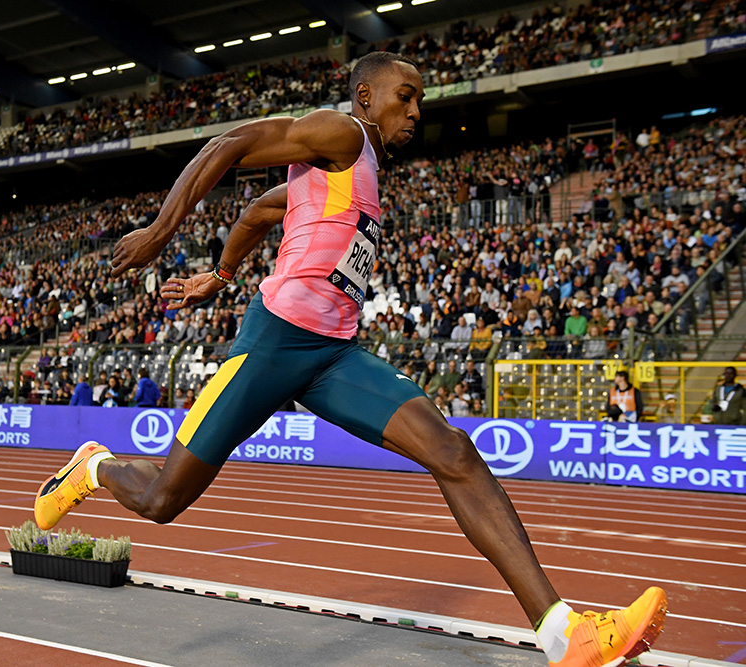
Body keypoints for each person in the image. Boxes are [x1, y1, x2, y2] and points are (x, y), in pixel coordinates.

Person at [33, 52, 665, 667]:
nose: (416, 110)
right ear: (366, 97)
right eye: (405, 96)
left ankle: (565, 635)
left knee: (455, 453)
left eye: (420, 99)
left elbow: (259, 212)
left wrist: (220, 275)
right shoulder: (342, 133)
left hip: (335, 354)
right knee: (162, 501)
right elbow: (230, 142)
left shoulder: (357, 175)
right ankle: (97, 469)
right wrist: (160, 232)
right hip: (274, 345)